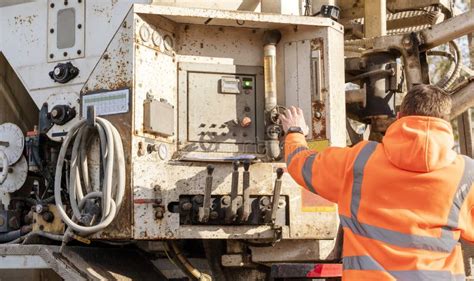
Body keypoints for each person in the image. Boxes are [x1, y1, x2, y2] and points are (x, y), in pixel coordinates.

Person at [280, 84, 473, 281]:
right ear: (446, 122)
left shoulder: (359, 161)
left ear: (399, 117)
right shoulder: (466, 174)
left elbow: (301, 164)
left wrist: (295, 132)